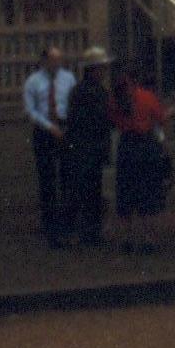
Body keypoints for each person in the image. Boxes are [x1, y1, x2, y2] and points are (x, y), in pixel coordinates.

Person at [110, 62, 175, 253]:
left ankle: (127, 237)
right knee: (148, 192)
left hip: (126, 146)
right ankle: (149, 237)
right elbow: (160, 118)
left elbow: (115, 121)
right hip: (146, 146)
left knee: (126, 193)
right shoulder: (146, 97)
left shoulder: (115, 100)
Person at [55, 45, 116, 247]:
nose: (104, 72)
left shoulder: (80, 90)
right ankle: (84, 232)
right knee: (86, 191)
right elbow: (100, 119)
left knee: (82, 191)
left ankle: (76, 232)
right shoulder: (95, 92)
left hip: (82, 146)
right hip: (88, 147)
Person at [21, 44, 77, 248]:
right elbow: (30, 111)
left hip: (64, 126)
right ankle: (50, 224)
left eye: (59, 60)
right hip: (44, 130)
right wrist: (48, 126)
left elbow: (72, 101)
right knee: (47, 179)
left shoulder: (68, 78)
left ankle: (67, 222)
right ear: (44, 62)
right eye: (53, 60)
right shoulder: (33, 82)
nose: (57, 64)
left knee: (67, 176)